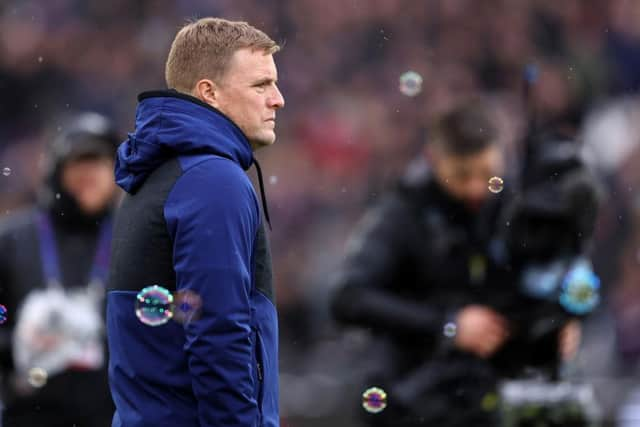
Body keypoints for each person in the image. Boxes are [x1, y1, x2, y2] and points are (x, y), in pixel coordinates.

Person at [330, 103, 596, 427]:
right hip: (417, 397)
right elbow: (348, 297)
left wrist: (558, 322)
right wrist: (449, 325)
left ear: (502, 156)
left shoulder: (521, 209)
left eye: (486, 173)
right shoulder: (403, 214)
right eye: (460, 175)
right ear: (432, 159)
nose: (475, 187)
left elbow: (560, 275)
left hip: (501, 393)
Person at [107, 17, 284, 427]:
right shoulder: (212, 180)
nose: (278, 99)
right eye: (261, 85)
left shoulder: (163, 170)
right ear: (210, 92)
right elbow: (218, 332)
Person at [0, 112, 119, 426]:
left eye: (103, 163)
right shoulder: (12, 239)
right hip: (27, 414)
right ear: (57, 169)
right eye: (81, 162)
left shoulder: (133, 239)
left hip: (110, 417)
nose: (92, 174)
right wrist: (17, 339)